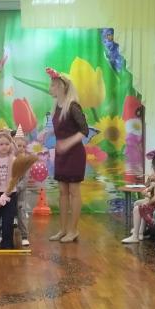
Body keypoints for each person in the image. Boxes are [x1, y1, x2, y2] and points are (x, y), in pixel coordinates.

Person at [46, 67, 88, 243]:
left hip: (75, 154)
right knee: (62, 192)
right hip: (61, 154)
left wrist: (68, 143)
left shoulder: (73, 106)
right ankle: (63, 229)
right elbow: (61, 128)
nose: (50, 88)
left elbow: (84, 130)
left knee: (73, 191)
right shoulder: (57, 106)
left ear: (61, 87)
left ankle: (74, 230)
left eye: (52, 85)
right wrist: (46, 133)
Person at [13, 126, 31, 247]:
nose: (22, 148)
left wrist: (15, 188)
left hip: (20, 196)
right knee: (6, 216)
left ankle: (24, 236)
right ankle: (3, 235)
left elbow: (24, 181)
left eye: (24, 146)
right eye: (19, 146)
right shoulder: (10, 160)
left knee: (21, 215)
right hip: (9, 195)